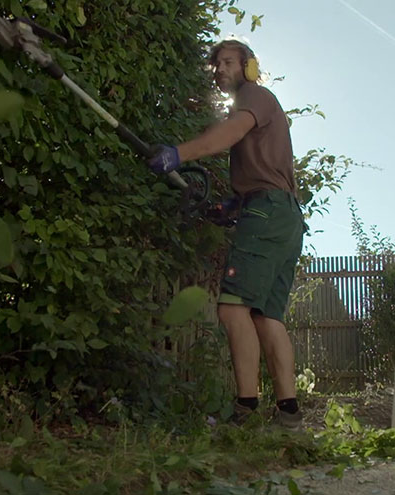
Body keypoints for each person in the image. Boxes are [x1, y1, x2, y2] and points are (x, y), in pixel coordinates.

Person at [146, 39, 305, 428]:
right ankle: (289, 415)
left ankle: (246, 410)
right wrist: (233, 206)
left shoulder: (254, 96)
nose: (219, 70)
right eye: (216, 64)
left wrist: (177, 154)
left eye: (229, 62)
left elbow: (227, 134)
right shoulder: (259, 105)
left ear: (249, 67)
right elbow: (266, 172)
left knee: (233, 308)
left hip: (267, 211)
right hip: (283, 214)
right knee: (267, 317)